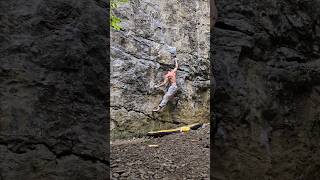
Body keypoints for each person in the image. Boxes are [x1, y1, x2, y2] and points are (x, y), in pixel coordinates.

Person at [153, 47, 179, 112]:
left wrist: (157, 86)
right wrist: (175, 59)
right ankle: (175, 99)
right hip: (174, 87)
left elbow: (164, 83)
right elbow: (176, 66)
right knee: (169, 96)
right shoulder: (172, 72)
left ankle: (158, 109)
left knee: (166, 96)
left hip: (173, 87)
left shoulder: (168, 74)